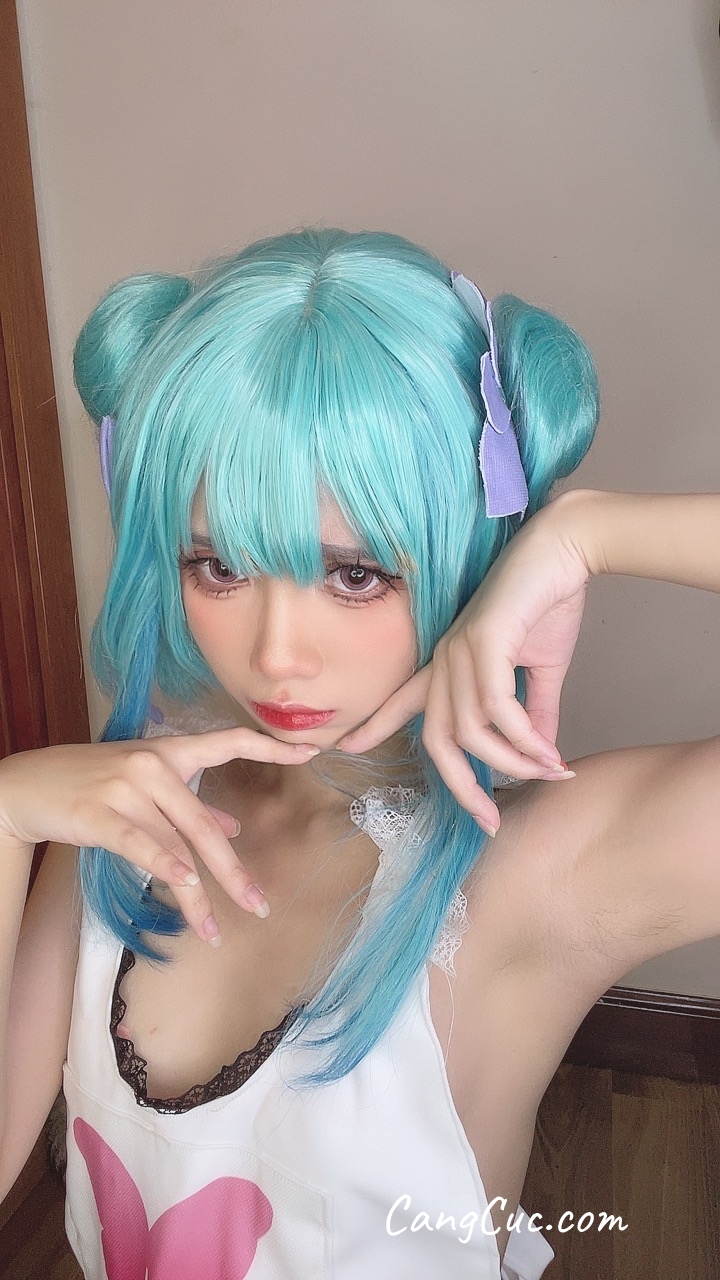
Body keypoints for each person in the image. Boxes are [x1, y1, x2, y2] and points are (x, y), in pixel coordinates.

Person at [0, 227, 716, 1280]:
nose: (277, 652)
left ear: (467, 544)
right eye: (220, 565)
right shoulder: (125, 816)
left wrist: (588, 534)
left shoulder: (531, 875)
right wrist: (8, 813)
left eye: (355, 575)